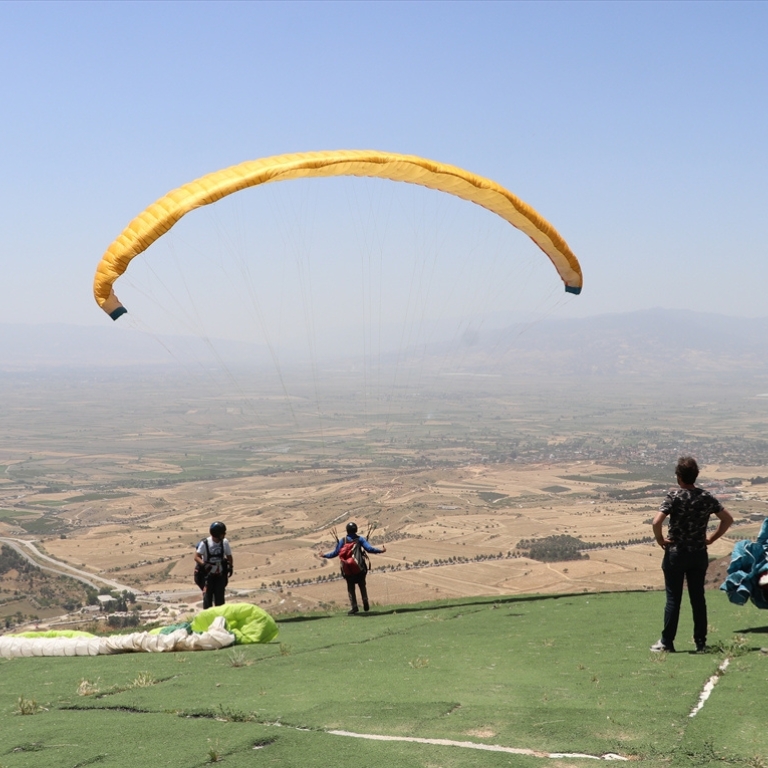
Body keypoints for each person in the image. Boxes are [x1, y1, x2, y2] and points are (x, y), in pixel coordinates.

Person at [650, 457, 733, 653]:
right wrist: (711, 538)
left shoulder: (674, 496)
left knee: (673, 598)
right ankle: (700, 642)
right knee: (698, 598)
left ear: (678, 477)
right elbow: (727, 519)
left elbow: (656, 522)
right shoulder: (706, 497)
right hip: (698, 554)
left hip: (676, 554)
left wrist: (660, 540)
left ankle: (667, 642)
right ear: (695, 476)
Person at [319, 522, 386, 615]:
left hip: (348, 570)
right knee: (362, 585)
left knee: (351, 588)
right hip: (360, 568)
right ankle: (365, 600)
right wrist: (381, 550)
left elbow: (335, 553)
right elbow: (369, 549)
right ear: (356, 530)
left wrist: (324, 555)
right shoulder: (360, 539)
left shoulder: (343, 541)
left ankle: (354, 607)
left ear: (347, 530)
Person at [195, 521, 234, 609]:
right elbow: (196, 557)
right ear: (216, 534)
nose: (224, 534)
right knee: (207, 599)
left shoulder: (224, 542)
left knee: (220, 599)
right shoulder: (205, 543)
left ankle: (220, 618)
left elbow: (229, 556)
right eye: (222, 533)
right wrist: (204, 565)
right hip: (208, 576)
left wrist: (230, 567)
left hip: (219, 575)